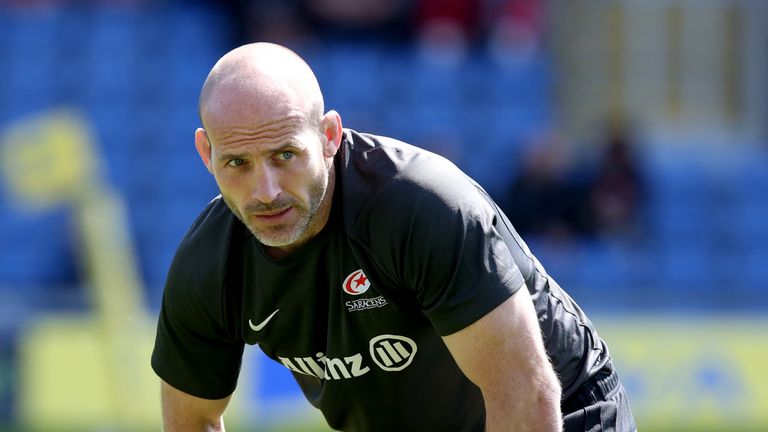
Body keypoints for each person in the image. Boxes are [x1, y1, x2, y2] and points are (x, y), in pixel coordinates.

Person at [151, 42, 636, 431]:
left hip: (562, 413)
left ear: (329, 136)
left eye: (285, 156)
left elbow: (523, 394)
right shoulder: (209, 265)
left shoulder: (422, 207)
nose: (266, 191)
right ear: (205, 153)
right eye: (237, 163)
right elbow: (190, 421)